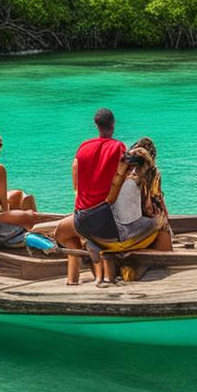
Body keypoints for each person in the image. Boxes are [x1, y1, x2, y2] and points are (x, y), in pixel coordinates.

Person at [57, 108, 127, 284]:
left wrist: (77, 192)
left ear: (96, 125)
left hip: (82, 219)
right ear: (113, 124)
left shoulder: (84, 146)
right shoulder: (118, 147)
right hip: (107, 222)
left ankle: (72, 279)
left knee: (62, 234)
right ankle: (99, 267)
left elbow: (75, 168)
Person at [90, 137, 172, 285]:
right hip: (132, 228)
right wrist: (165, 217)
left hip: (108, 225)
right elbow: (153, 203)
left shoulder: (116, 173)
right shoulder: (148, 175)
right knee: (163, 229)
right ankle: (138, 257)